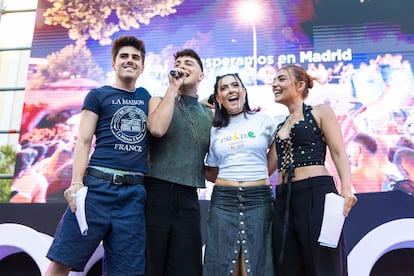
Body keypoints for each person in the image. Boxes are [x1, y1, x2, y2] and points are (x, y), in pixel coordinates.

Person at [45, 35, 150, 276]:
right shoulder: (97, 95)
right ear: (114, 63)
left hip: (133, 196)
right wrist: (76, 184)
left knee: (126, 272)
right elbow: (83, 141)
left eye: (135, 57)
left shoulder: (147, 98)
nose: (129, 60)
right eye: (124, 56)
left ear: (142, 67)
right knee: (62, 260)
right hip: (95, 190)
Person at [271, 65, 357, 276]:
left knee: (324, 263)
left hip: (316, 193)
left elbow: (338, 152)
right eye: (274, 80)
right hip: (283, 199)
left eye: (281, 79)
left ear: (300, 85)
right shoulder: (279, 126)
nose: (274, 84)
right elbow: (266, 166)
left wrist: (347, 188)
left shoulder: (320, 111)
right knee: (287, 265)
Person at [144, 49, 213, 276]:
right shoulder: (158, 100)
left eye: (189, 63)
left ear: (201, 75)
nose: (182, 65)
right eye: (178, 62)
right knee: (150, 266)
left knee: (187, 269)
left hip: (188, 198)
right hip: (155, 194)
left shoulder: (209, 114)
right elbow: (156, 129)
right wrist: (173, 88)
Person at [203, 73, 277, 276]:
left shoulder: (264, 120)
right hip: (224, 201)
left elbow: (276, 154)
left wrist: (258, 174)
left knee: (258, 267)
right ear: (218, 97)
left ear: (244, 91)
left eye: (235, 85)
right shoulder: (213, 129)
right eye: (224, 88)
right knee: (224, 267)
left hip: (259, 200)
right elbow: (210, 170)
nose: (231, 90)